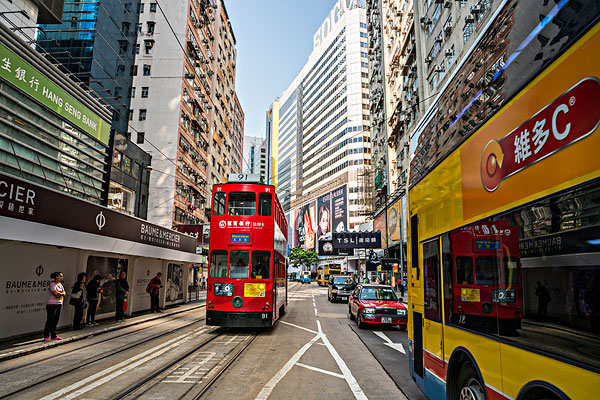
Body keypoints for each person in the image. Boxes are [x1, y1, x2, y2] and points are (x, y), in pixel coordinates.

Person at [44, 271, 66, 341]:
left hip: (58, 304)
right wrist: (61, 293)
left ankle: (54, 335)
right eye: (60, 276)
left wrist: (61, 294)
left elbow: (64, 293)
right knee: (50, 320)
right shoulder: (52, 284)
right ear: (56, 277)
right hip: (51, 304)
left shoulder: (60, 284)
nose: (62, 277)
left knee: (56, 320)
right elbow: (55, 294)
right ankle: (46, 335)